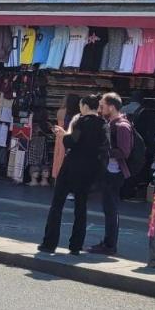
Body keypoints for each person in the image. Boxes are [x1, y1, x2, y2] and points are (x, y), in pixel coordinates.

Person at [39, 95, 107, 255]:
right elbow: (104, 149)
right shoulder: (103, 125)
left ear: (83, 106)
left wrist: (64, 135)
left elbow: (72, 142)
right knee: (81, 207)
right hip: (89, 170)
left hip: (72, 167)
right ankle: (76, 245)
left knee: (57, 204)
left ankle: (49, 243)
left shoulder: (81, 122)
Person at [90, 91, 133, 255]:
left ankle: (110, 245)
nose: (100, 109)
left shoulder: (122, 126)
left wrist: (104, 150)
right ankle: (108, 242)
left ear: (112, 107)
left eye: (103, 106)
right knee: (108, 208)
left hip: (115, 173)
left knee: (111, 208)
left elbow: (124, 151)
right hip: (109, 170)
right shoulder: (111, 123)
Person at [51, 93, 79, 183]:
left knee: (58, 157)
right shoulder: (76, 115)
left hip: (59, 137)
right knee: (65, 159)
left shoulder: (60, 111)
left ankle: (57, 179)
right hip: (67, 136)